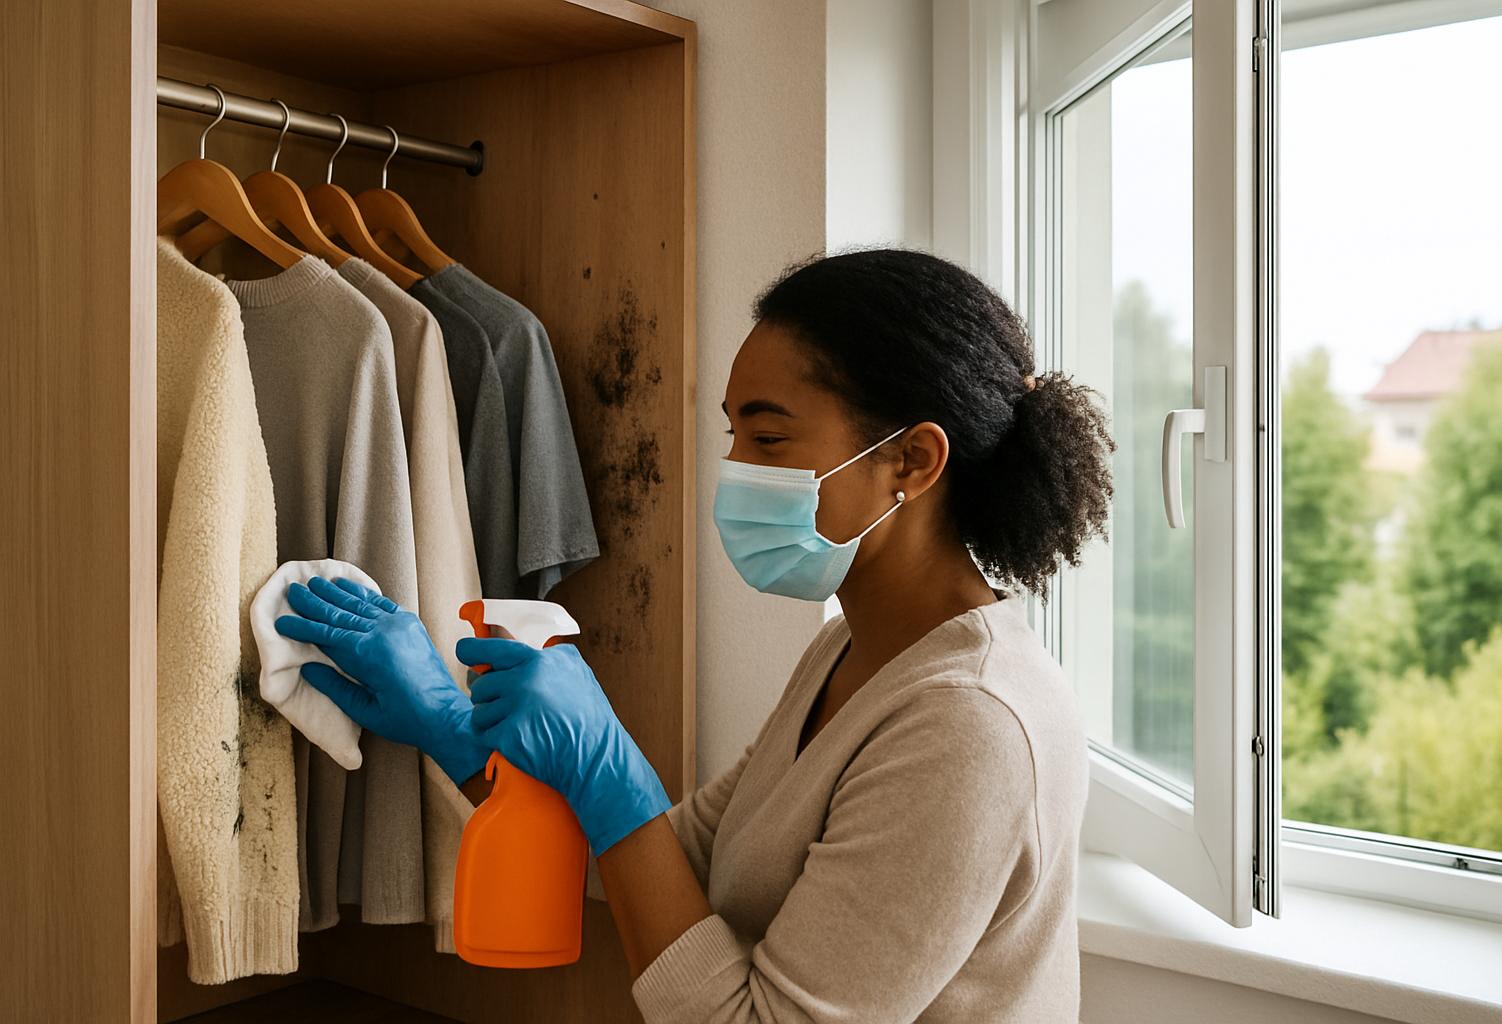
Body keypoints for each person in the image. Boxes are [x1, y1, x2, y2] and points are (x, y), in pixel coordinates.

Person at [276, 248, 1115, 1022]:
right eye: (734, 434)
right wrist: (452, 728)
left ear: (913, 461)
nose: (737, 468)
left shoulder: (973, 726)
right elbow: (673, 868)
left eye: (771, 436)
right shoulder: (850, 653)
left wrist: (610, 767)